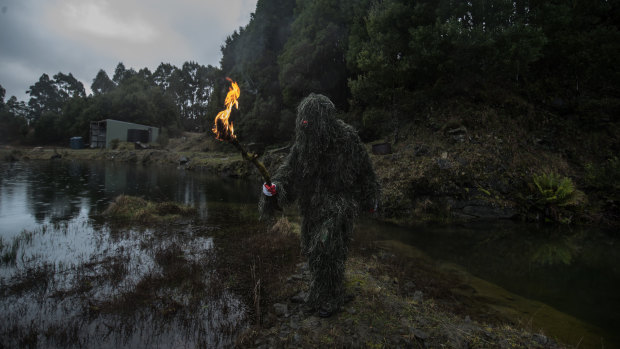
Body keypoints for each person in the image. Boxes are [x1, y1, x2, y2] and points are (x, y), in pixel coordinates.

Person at [260, 93, 379, 317]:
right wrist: (275, 186)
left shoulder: (347, 139)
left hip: (339, 205)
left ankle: (332, 296)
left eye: (311, 119)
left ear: (325, 119)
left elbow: (365, 171)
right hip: (311, 206)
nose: (305, 123)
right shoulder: (303, 144)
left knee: (327, 247)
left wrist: (370, 197)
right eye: (303, 119)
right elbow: (289, 170)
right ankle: (319, 291)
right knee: (311, 247)